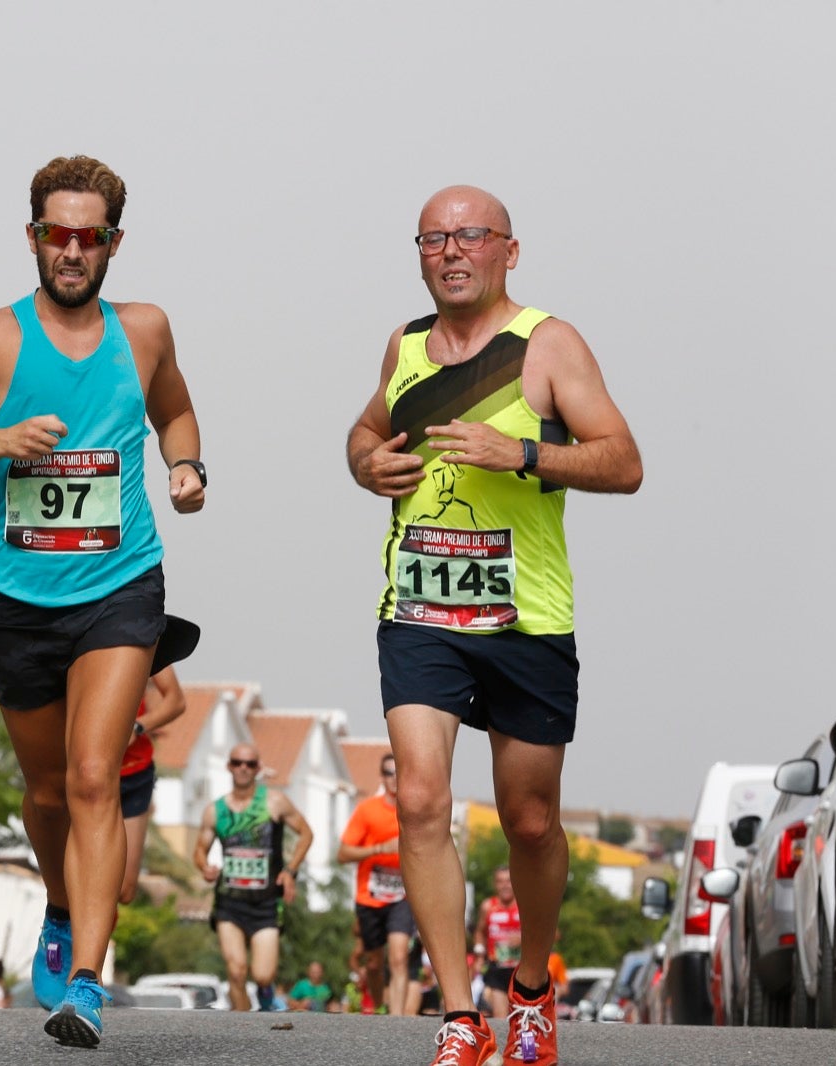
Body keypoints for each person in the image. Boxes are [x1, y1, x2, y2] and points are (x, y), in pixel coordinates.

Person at [0, 154, 205, 1049]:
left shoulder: (145, 330)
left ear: (113, 243)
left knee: (90, 776)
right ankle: (56, 901)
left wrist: (187, 466)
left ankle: (84, 981)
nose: (71, 251)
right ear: (32, 238)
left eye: (89, 237)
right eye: (56, 234)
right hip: (18, 596)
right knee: (43, 793)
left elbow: (177, 415)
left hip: (120, 587)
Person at [346, 185, 642, 1066]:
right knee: (422, 798)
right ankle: (458, 1015)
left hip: (525, 615)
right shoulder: (404, 346)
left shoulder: (549, 345)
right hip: (420, 610)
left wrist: (521, 452)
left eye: (471, 234)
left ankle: (531, 989)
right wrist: (371, 466)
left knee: (532, 820)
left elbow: (624, 462)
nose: (452, 250)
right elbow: (362, 434)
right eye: (434, 237)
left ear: (509, 250)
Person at [192, 743, 311, 1012]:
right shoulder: (216, 810)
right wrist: (205, 867)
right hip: (229, 903)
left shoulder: (274, 802)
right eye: (237, 762)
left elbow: (306, 833)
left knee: (263, 975)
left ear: (258, 769)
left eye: (249, 764)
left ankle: (266, 992)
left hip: (266, 903)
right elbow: (199, 850)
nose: (243, 768)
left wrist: (290, 870)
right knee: (236, 971)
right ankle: (244, 1028)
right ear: (229, 766)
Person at [336, 750, 415, 1017]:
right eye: (388, 773)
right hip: (369, 898)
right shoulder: (367, 810)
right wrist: (380, 848)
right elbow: (343, 853)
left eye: (398, 772)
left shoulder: (414, 811)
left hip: (402, 897)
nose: (394, 778)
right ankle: (380, 1006)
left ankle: (398, 1019)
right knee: (373, 963)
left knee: (399, 957)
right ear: (382, 777)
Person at [119, 665, 187, 905]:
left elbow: (176, 701)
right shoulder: (72, 630)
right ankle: (66, 939)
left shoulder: (142, 632)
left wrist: (137, 727)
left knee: (125, 890)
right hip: (87, 773)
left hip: (134, 773)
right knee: (81, 880)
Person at [473, 866, 521, 1023]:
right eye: (500, 882)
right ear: (495, 884)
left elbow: (551, 933)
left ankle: (527, 1046)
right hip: (497, 968)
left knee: (521, 1017)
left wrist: (523, 939)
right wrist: (479, 954)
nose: (505, 885)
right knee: (501, 1019)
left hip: (522, 970)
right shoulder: (488, 906)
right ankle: (505, 1045)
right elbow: (480, 932)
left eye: (509, 881)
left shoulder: (525, 905)